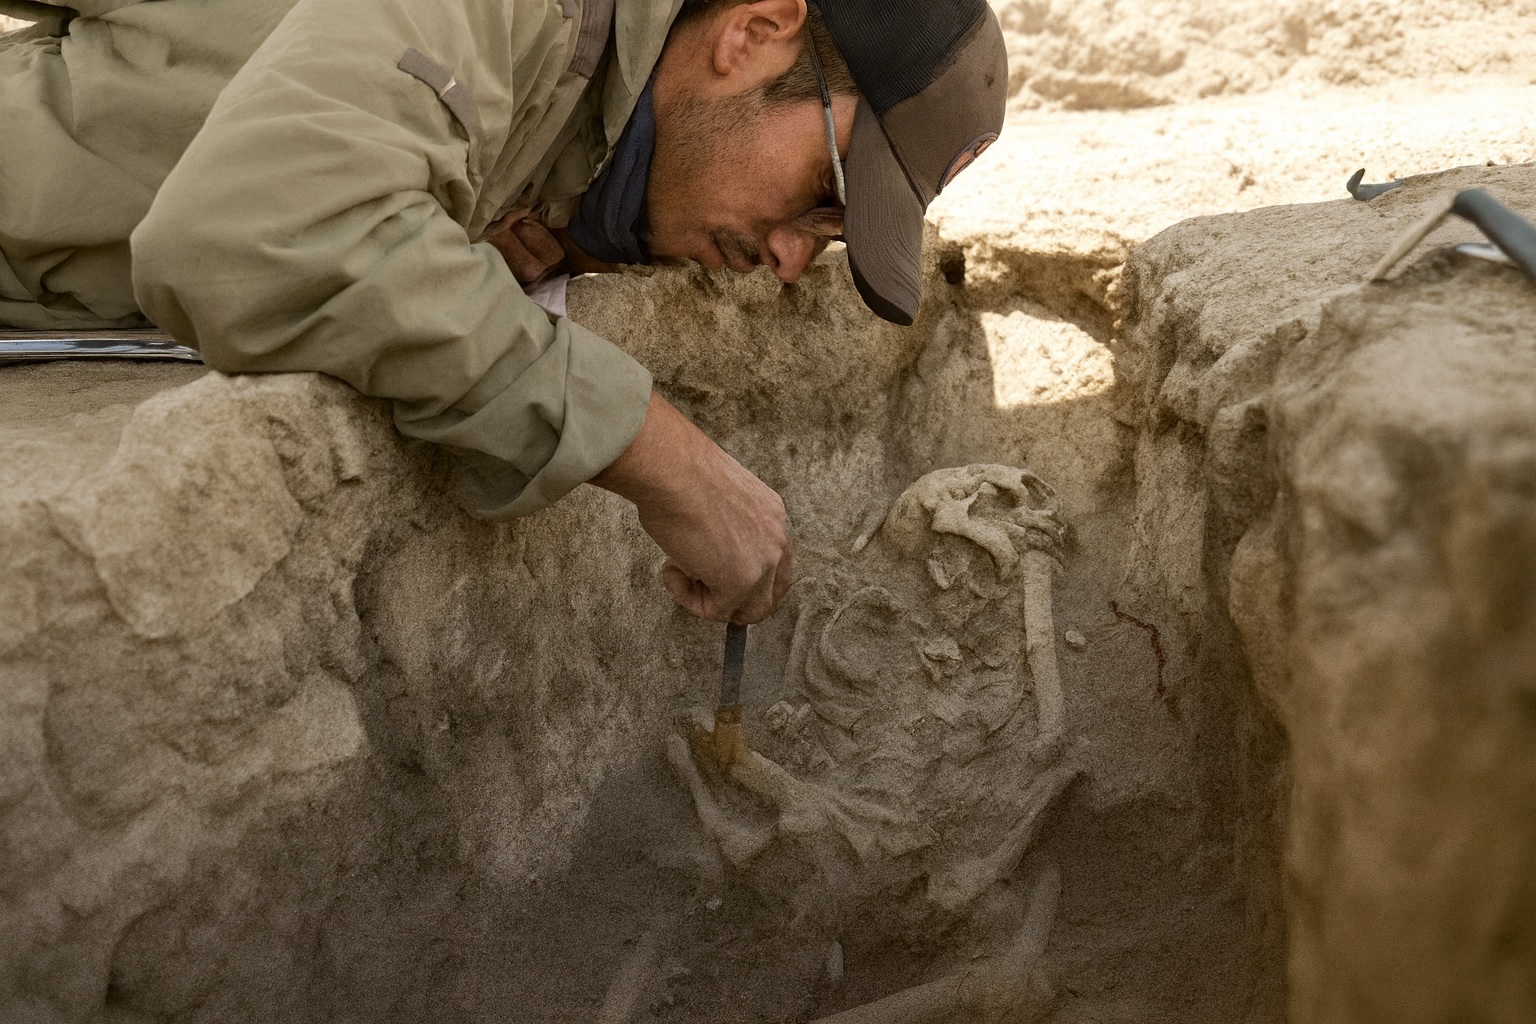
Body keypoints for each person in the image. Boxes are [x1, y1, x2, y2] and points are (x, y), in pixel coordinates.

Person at [0, 0, 1007, 624]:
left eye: (832, 239)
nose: (792, 257)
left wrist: (478, 231)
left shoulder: (584, 100)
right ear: (752, 31)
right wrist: (653, 450)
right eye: (820, 195)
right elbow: (250, 231)